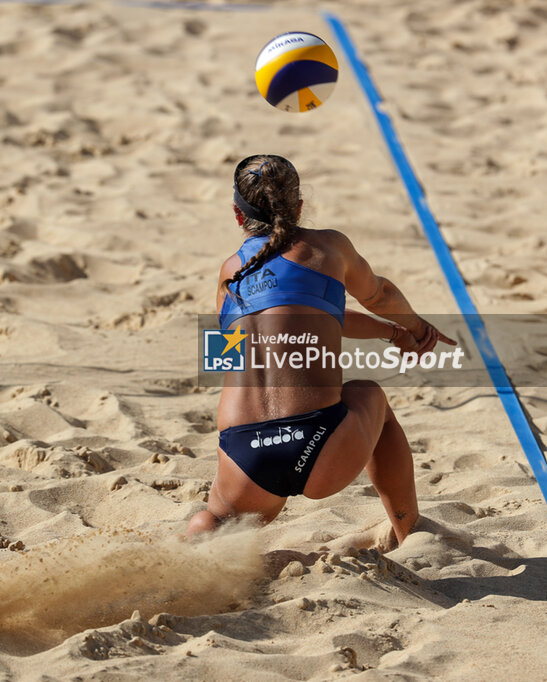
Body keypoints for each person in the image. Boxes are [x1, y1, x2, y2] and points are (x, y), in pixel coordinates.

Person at [186, 154, 455, 546]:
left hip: (246, 459)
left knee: (214, 519)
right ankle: (410, 534)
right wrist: (414, 328)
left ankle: (186, 550)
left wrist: (388, 333)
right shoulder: (329, 246)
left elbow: (229, 356)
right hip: (323, 445)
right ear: (297, 206)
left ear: (237, 214)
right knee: (370, 395)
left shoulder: (229, 272)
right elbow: (380, 295)